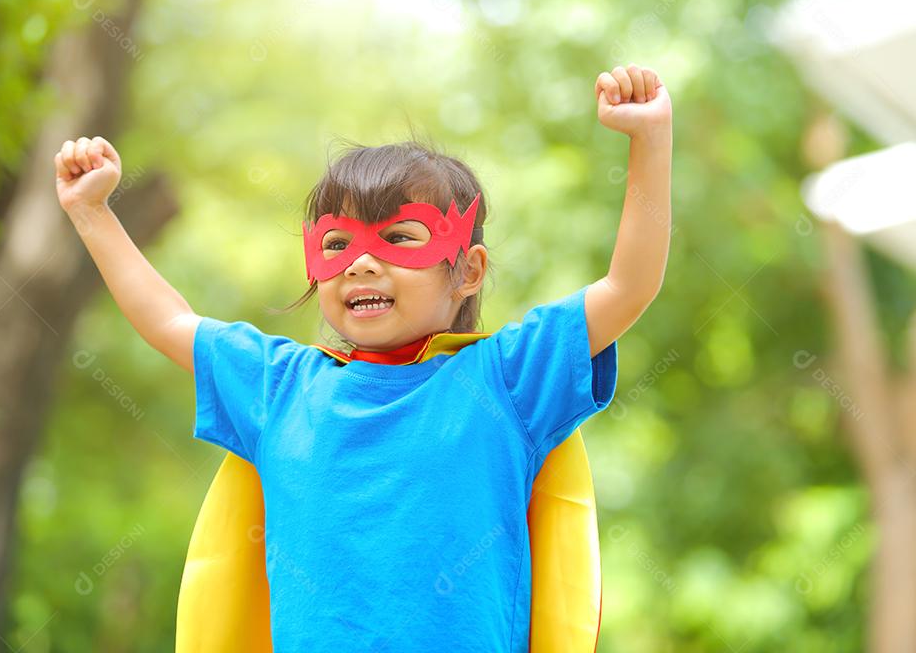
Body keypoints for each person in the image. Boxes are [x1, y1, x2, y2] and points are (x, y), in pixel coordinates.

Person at [54, 63, 672, 652]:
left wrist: (649, 139)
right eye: (337, 243)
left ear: (468, 272)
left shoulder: (507, 381)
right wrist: (91, 212)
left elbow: (627, 287)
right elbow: (170, 321)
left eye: (401, 237)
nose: (361, 261)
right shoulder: (280, 389)